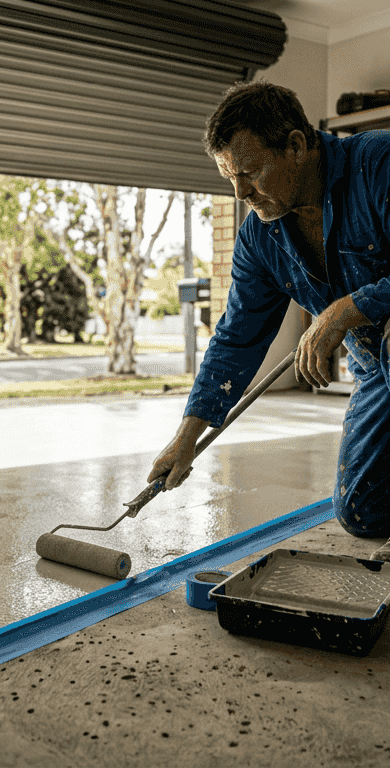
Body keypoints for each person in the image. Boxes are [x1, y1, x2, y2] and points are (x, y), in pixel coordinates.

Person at [148, 80, 390, 561]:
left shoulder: (379, 163)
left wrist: (346, 308)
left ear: (296, 146)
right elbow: (236, 338)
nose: (240, 192)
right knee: (362, 512)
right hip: (377, 375)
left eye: (251, 172)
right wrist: (186, 439)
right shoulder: (260, 238)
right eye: (229, 178)